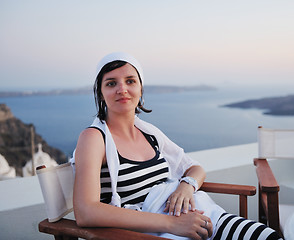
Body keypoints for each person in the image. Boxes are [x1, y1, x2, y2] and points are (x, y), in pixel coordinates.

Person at [72, 52, 282, 240]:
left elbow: (195, 168)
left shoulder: (149, 134)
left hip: (200, 217)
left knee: (269, 237)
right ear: (100, 93)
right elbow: (86, 211)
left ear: (140, 88)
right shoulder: (94, 138)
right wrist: (173, 224)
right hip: (150, 233)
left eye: (130, 81)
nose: (122, 89)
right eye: (111, 83)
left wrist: (186, 186)